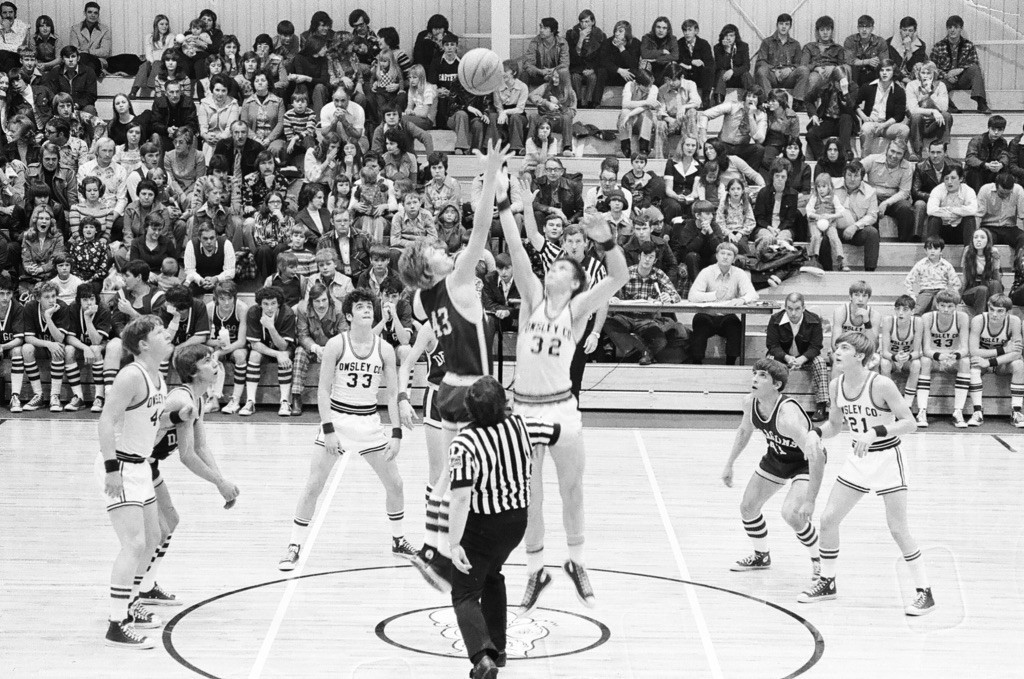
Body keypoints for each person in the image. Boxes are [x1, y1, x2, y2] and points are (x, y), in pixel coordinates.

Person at [497, 190, 628, 612]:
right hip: (523, 409)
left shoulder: (577, 310)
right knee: (530, 495)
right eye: (552, 264)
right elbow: (516, 246)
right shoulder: (532, 298)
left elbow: (619, 276)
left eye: (562, 267)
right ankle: (536, 570)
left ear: (573, 283)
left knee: (572, 488)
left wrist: (606, 240)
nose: (554, 268)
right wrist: (504, 204)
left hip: (560, 408)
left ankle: (577, 561)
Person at [396, 140, 506, 592]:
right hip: (472, 390)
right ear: (429, 270)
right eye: (434, 253)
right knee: (466, 476)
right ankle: (445, 551)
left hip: (447, 391)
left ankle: (433, 547)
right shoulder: (458, 280)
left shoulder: (424, 298)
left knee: (446, 475)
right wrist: (489, 179)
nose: (444, 250)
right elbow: (480, 232)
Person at [799, 331, 935, 617]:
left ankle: (925, 591)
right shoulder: (836, 385)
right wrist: (815, 433)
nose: (837, 351)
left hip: (888, 458)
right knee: (828, 519)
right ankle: (827, 582)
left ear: (860, 356)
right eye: (837, 347)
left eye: (844, 348)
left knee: (897, 528)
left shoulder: (881, 384)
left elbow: (909, 423)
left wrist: (875, 431)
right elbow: (835, 426)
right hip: (858, 459)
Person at [278, 287, 413, 570]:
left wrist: (397, 433)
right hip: (338, 421)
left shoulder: (385, 349)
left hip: (369, 423)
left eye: (369, 306)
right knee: (314, 485)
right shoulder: (336, 345)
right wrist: (328, 430)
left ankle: (399, 540)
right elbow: (323, 390)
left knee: (396, 484)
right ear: (349, 316)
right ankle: (294, 545)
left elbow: (392, 395)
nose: (366, 310)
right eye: (360, 307)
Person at [447, 376, 561, 678]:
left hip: (482, 526)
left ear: (469, 410)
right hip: (515, 523)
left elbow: (460, 497)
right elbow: (557, 431)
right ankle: (498, 649)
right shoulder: (523, 426)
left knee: (464, 594)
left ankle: (482, 658)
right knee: (492, 575)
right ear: (505, 403)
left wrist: (454, 543)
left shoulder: (464, 443)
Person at [95, 314, 172, 648]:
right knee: (134, 544)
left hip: (140, 465)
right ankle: (116, 623)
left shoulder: (158, 376)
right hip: (121, 466)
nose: (167, 334)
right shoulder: (131, 375)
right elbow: (105, 420)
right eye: (159, 332)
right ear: (143, 344)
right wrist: (112, 468)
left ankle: (131, 602)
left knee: (154, 536)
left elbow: (149, 419)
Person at [142, 344, 239, 608]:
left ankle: (146, 587)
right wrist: (220, 483)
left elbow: (201, 447)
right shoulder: (182, 400)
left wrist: (221, 482)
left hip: (150, 465)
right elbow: (186, 456)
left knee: (170, 521)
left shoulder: (198, 400)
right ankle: (133, 592)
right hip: (132, 464)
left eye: (212, 359)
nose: (215, 363)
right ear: (193, 372)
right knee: (155, 532)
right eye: (207, 361)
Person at [722, 358, 824, 579]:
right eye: (755, 373)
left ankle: (819, 560)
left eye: (762, 376)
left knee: (791, 514)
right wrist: (730, 463)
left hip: (804, 462)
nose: (755, 379)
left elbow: (817, 456)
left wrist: (811, 500)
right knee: (748, 507)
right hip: (777, 456)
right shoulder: (749, 402)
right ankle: (761, 556)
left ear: (777, 385)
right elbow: (744, 431)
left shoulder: (787, 416)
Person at [687, 241, 758, 365]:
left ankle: (731, 363)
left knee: (735, 325)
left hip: (727, 315)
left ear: (734, 259)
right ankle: (696, 362)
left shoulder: (739, 273)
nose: (725, 257)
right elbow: (692, 296)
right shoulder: (706, 272)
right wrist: (714, 295)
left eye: (729, 254)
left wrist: (742, 299)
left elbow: (753, 294)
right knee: (700, 322)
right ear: (717, 256)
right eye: (722, 253)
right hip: (707, 314)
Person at [766, 293, 829, 421]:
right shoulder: (775, 319)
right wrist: (786, 357)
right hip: (782, 357)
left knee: (820, 362)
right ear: (785, 308)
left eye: (797, 309)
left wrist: (802, 358)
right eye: (790, 309)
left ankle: (821, 406)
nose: (793, 313)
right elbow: (772, 346)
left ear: (803, 308)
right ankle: (769, 403)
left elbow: (816, 346)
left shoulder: (814, 320)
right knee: (769, 361)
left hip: (805, 358)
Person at [966, 293, 1024, 427]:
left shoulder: (1014, 321)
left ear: (1007, 312)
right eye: (991, 309)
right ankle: (977, 411)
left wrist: (990, 361)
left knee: (1019, 364)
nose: (994, 314)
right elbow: (974, 351)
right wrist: (1004, 350)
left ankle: (1016, 411)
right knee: (974, 364)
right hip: (982, 361)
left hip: (999, 363)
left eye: (1000, 311)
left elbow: (1017, 353)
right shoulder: (979, 320)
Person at [916, 289, 972, 427]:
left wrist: (955, 356)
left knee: (965, 361)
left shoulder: (962, 317)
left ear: (956, 306)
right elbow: (926, 349)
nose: (946, 309)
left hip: (952, 359)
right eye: (942, 305)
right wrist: (940, 356)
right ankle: (922, 411)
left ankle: (958, 411)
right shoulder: (928, 317)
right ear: (937, 305)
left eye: (950, 306)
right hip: (934, 358)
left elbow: (965, 349)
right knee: (924, 361)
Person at [240, 285, 296, 418]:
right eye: (265, 304)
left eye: (273, 303)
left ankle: (285, 401)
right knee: (254, 355)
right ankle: (250, 401)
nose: (270, 308)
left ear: (279, 303)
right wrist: (277, 354)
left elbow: (283, 347)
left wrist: (271, 327)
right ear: (260, 304)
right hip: (264, 349)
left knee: (285, 355)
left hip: (283, 348)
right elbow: (254, 344)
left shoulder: (287, 313)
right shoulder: (253, 312)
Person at [819, 161, 881, 272]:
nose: (852, 179)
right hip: (833, 228)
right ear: (844, 175)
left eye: (856, 176)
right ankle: (827, 272)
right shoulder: (831, 185)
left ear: (862, 177)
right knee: (823, 238)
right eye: (849, 175)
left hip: (855, 231)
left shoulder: (870, 192)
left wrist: (855, 226)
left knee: (872, 233)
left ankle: (870, 272)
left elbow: (872, 215)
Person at [63, 282, 111, 411]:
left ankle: (99, 397)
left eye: (92, 298)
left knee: (95, 349)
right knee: (68, 350)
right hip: (83, 345)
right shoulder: (73, 308)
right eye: (85, 299)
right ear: (79, 300)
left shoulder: (104, 309)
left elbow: (96, 341)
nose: (89, 303)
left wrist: (87, 318)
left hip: (102, 344)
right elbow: (69, 337)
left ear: (96, 299)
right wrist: (85, 348)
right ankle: (78, 397)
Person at [931, 15, 990, 113]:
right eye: (950, 27)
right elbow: (932, 67)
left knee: (975, 68)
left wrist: (959, 70)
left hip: (963, 79)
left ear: (961, 29)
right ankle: (951, 108)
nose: (952, 30)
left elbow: (974, 62)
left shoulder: (968, 45)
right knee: (934, 85)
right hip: (946, 80)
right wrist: (946, 75)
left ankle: (981, 103)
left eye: (956, 27)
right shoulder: (938, 46)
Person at [205, 280, 248, 414]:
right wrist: (216, 344)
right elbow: (205, 339)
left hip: (236, 346)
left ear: (235, 297)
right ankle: (212, 400)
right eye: (222, 299)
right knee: (206, 354)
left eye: (230, 298)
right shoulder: (210, 308)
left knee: (240, 355)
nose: (227, 303)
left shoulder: (241, 308)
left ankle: (235, 400)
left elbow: (241, 341)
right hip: (220, 344)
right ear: (216, 298)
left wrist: (220, 353)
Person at [855, 59, 909, 157]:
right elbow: (855, 104)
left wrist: (883, 125)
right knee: (865, 128)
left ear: (893, 72)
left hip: (888, 125)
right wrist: (864, 117)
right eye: (882, 70)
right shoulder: (868, 87)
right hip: (871, 123)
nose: (884, 73)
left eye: (888, 70)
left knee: (904, 129)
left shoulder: (899, 91)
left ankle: (896, 158)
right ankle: (864, 159)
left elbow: (899, 115)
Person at [879, 295, 924, 409]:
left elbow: (917, 352)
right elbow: (884, 352)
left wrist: (907, 357)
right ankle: (889, 402)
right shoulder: (888, 321)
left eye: (905, 309)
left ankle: (907, 405)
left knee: (916, 363)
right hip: (892, 359)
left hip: (907, 360)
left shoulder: (918, 322)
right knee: (884, 363)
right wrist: (895, 357)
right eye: (898, 309)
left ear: (912, 311)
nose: (900, 313)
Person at [905, 61, 952, 161]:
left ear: (934, 74)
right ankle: (917, 152)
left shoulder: (941, 85)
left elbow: (944, 108)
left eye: (928, 73)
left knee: (946, 115)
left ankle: (943, 150)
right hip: (918, 124)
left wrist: (931, 91)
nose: (925, 76)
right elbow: (913, 109)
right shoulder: (911, 85)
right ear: (919, 73)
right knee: (916, 116)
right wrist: (933, 111)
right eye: (923, 73)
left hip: (935, 123)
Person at [912, 141, 957, 239]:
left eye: (938, 152)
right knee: (919, 204)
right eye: (932, 152)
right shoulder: (920, 167)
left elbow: (961, 188)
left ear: (945, 153)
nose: (935, 156)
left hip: (949, 199)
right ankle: (916, 237)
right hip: (927, 200)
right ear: (928, 153)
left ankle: (953, 238)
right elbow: (915, 192)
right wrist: (934, 198)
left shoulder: (955, 166)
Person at [903, 236, 960, 315]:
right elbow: (908, 280)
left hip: (941, 291)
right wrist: (912, 295)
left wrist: (951, 295)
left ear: (941, 250)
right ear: (925, 250)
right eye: (929, 248)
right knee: (918, 309)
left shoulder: (946, 265)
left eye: (936, 249)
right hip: (925, 290)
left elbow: (956, 283)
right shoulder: (921, 264)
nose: (932, 251)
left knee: (937, 306)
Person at [925, 164, 978, 244]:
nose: (949, 182)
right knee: (934, 219)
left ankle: (969, 249)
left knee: (970, 218)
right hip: (942, 230)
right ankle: (931, 247)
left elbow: (973, 210)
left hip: (961, 231)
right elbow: (930, 210)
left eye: (953, 178)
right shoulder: (938, 190)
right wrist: (958, 212)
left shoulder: (968, 190)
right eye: (946, 178)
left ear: (961, 179)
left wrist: (951, 209)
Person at [754, 14, 804, 96]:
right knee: (762, 70)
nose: (784, 27)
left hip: (789, 77)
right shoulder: (767, 42)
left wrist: (790, 69)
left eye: (787, 24)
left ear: (790, 26)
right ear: (777, 25)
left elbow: (799, 63)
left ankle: (798, 101)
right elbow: (761, 61)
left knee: (804, 70)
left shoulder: (795, 44)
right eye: (781, 24)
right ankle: (769, 100)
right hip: (772, 76)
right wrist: (774, 70)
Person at [565, 9, 606, 109]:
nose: (584, 25)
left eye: (587, 21)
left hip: (592, 68)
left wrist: (593, 69)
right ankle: (578, 102)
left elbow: (602, 57)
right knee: (575, 77)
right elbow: (572, 57)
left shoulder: (600, 35)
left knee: (592, 77)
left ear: (593, 22)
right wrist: (581, 39)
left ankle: (589, 102)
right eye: (582, 22)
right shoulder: (572, 34)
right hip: (577, 67)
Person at [961, 227, 1004, 317]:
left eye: (982, 237)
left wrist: (996, 262)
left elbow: (997, 278)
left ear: (988, 241)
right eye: (975, 237)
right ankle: (979, 320)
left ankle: (994, 314)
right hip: (971, 290)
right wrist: (959, 295)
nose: (978, 240)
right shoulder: (967, 251)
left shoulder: (993, 252)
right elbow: (964, 277)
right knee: (982, 289)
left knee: (995, 284)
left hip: (988, 286)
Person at [977, 172, 1024, 251]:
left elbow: (1023, 216)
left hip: (1009, 228)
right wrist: (976, 233)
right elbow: (978, 215)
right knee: (982, 239)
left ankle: (1020, 259)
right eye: (1001, 193)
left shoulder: (1018, 190)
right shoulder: (985, 190)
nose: (1005, 196)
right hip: (988, 227)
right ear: (996, 186)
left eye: (1008, 194)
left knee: (1022, 238)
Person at [0, 272, 25, 411]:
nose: (5, 297)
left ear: (12, 294)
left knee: (18, 351)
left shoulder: (18, 308)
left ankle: (15, 397)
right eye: (1, 293)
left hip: (9, 346)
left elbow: (19, 339)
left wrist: (2, 347)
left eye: (8, 293)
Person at [965, 115, 1010, 192]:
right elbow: (970, 158)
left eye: (999, 130)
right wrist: (985, 165)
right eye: (993, 129)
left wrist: (1000, 164)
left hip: (992, 171)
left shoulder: (1003, 142)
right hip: (978, 170)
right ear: (988, 128)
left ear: (1003, 130)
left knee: (1005, 171)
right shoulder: (976, 140)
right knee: (974, 172)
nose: (996, 132)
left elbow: (1005, 156)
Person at [711, 24, 753, 104]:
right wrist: (727, 51)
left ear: (735, 37)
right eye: (726, 35)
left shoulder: (743, 46)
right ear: (722, 37)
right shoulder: (718, 48)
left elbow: (746, 66)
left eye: (731, 35)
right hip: (724, 79)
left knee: (746, 74)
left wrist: (733, 71)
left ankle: (753, 96)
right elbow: (720, 66)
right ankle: (719, 100)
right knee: (722, 72)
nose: (728, 38)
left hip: (738, 77)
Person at [523, 18, 569, 87]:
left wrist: (553, 70)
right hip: (539, 74)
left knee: (565, 73)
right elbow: (528, 64)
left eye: (545, 28)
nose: (541, 30)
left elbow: (565, 64)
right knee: (524, 74)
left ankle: (567, 93)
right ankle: (522, 93)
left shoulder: (562, 43)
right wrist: (540, 71)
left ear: (553, 30)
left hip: (556, 74)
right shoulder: (535, 42)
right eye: (541, 27)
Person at [844, 15, 888, 87]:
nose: (864, 30)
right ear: (858, 28)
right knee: (847, 67)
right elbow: (848, 60)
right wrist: (867, 61)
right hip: (855, 75)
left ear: (872, 28)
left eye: (867, 27)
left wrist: (876, 62)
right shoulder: (850, 40)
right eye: (861, 27)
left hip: (873, 74)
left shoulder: (880, 42)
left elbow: (884, 62)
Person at [677, 19, 713, 105]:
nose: (687, 33)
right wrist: (692, 62)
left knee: (708, 69)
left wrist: (692, 65)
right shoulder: (679, 43)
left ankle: (705, 99)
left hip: (699, 75)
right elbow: (678, 59)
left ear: (696, 31)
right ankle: (682, 100)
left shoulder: (703, 44)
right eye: (685, 30)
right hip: (686, 73)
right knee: (679, 69)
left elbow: (708, 62)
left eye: (690, 30)